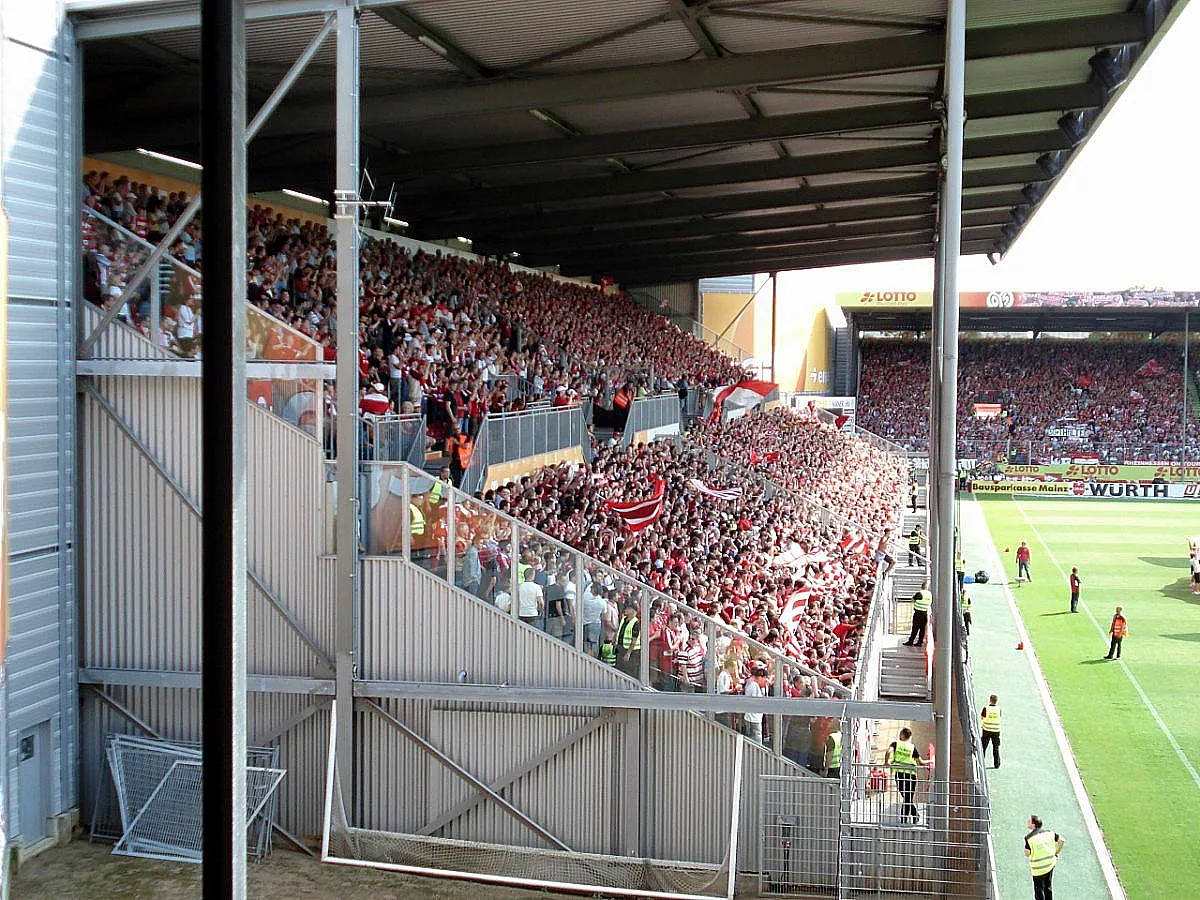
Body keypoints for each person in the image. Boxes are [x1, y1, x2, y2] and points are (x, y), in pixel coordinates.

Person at [885, 727, 922, 824]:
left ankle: (904, 820)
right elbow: (920, 762)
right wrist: (930, 762)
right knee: (908, 797)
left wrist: (886, 763)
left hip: (900, 774)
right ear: (909, 737)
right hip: (911, 775)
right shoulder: (912, 747)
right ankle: (914, 815)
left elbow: (888, 752)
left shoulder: (896, 744)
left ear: (901, 734)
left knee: (906, 796)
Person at [1024, 815, 1065, 900]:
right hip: (1050, 865)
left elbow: (1027, 853)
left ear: (1033, 824)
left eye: (1029, 821)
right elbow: (1062, 840)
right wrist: (1056, 853)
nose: (1027, 822)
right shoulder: (1050, 833)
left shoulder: (1029, 838)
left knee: (1039, 891)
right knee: (1048, 888)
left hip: (1038, 869)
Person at [615, 601, 642, 678]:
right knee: (620, 669)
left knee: (630, 672)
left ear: (633, 610)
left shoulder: (636, 623)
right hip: (621, 648)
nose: (625, 610)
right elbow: (619, 631)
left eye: (628, 608)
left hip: (631, 651)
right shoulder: (624, 619)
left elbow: (634, 640)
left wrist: (628, 653)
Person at [904, 581, 931, 648]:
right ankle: (920, 642)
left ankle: (911, 641)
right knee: (922, 629)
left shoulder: (920, 593)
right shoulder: (929, 594)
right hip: (925, 613)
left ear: (921, 586)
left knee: (915, 628)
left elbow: (913, 600)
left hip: (918, 613)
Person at [980, 694, 1001, 768]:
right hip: (996, 730)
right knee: (996, 747)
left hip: (987, 730)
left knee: (983, 747)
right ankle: (997, 764)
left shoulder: (986, 708)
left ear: (990, 700)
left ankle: (981, 762)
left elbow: (982, 717)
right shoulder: (999, 709)